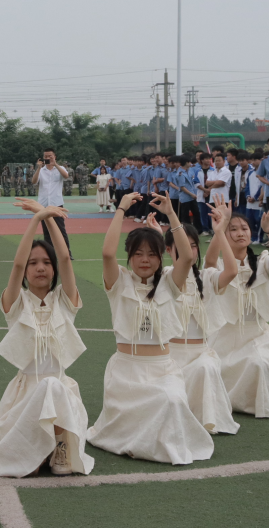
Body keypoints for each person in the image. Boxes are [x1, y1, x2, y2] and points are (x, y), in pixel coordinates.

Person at [87, 192, 214, 465]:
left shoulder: (170, 282)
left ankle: (151, 444)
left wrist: (171, 216)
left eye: (152, 254)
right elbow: (108, 252)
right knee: (155, 406)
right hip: (126, 370)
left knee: (170, 399)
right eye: (138, 254)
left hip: (162, 368)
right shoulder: (119, 283)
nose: (145, 260)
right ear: (130, 257)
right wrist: (120, 209)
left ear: (161, 257)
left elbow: (186, 258)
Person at [0, 200, 93, 478]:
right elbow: (17, 264)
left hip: (60, 387)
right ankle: (40, 451)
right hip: (24, 391)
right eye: (34, 263)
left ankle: (60, 445)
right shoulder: (16, 303)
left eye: (46, 263)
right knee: (23, 468)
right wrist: (35, 220)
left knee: (53, 385)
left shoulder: (64, 302)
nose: (40, 268)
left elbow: (65, 258)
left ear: (53, 269)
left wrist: (48, 219)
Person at [206, 207, 269, 418]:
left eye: (245, 228)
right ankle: (231, 401)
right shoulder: (220, 265)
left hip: (258, 334)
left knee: (258, 361)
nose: (240, 233)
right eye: (234, 229)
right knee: (216, 370)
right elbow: (210, 264)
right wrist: (219, 230)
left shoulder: (261, 262)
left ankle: (258, 403)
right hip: (226, 336)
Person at [159, 198, 240, 435]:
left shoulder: (206, 277)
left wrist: (221, 230)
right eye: (183, 245)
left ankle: (206, 423)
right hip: (168, 355)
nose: (189, 250)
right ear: (168, 249)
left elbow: (232, 270)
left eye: (193, 245)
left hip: (198, 353)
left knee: (205, 366)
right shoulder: (163, 278)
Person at [32, 148, 73, 258]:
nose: (48, 158)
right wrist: (38, 168)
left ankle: (67, 253)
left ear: (55, 156)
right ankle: (50, 254)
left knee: (61, 229)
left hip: (56, 204)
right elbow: (34, 181)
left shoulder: (60, 168)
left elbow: (66, 176)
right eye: (46, 156)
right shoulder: (41, 170)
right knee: (47, 231)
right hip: (44, 205)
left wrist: (56, 165)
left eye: (50, 156)